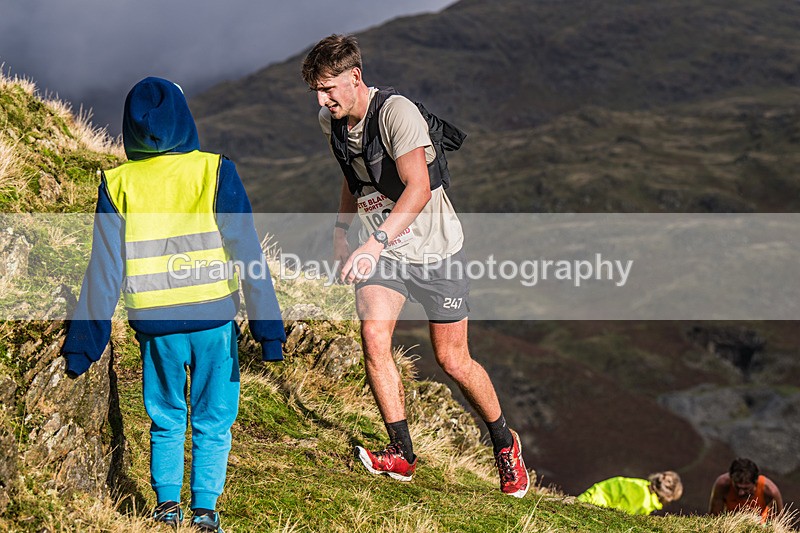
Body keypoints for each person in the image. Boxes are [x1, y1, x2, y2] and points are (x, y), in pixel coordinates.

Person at [301, 34, 529, 497]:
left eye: (329, 89)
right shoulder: (333, 120)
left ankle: (505, 443)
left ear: (355, 78)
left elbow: (419, 188)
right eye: (317, 93)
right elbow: (354, 177)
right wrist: (343, 234)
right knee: (372, 337)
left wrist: (375, 243)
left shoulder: (396, 113)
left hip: (435, 252)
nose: (323, 101)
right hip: (383, 253)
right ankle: (402, 453)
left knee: (452, 360)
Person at [61, 77, 285, 532]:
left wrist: (83, 344)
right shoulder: (215, 171)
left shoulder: (117, 182)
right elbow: (249, 255)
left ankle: (166, 509)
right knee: (213, 418)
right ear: (184, 119)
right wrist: (269, 331)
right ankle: (204, 511)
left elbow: (103, 270)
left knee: (165, 418)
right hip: (213, 324)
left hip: (155, 326)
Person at [709, 458, 784, 522]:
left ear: (756, 482)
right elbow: (714, 518)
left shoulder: (770, 491)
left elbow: (778, 522)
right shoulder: (722, 485)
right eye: (737, 487)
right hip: (731, 524)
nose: (741, 493)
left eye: (746, 488)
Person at [577, 471, 683, 516]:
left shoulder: (642, 485)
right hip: (592, 504)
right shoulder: (644, 500)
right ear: (668, 497)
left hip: (591, 497)